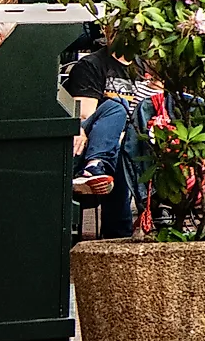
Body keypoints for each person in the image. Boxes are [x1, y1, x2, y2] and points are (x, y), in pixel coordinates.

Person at [62, 32, 145, 237]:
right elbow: (85, 115)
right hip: (94, 140)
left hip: (134, 143)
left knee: (120, 146)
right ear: (108, 31)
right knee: (116, 110)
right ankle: (119, 235)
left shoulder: (146, 68)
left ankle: (96, 168)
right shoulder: (91, 65)